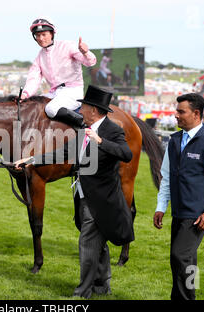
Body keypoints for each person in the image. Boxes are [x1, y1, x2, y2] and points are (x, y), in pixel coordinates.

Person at [16, 85, 134, 298]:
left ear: (95, 110)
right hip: (82, 194)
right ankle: (102, 285)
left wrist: (101, 142)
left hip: (101, 197)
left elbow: (126, 154)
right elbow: (64, 152)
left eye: (84, 107)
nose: (79, 111)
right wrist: (31, 160)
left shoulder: (112, 130)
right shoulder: (83, 129)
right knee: (98, 241)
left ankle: (82, 292)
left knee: (87, 242)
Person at [153, 93, 204, 300]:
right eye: (177, 110)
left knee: (180, 256)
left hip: (197, 215)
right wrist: (161, 206)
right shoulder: (174, 140)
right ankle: (187, 296)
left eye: (181, 111)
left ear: (196, 113)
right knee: (185, 261)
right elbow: (167, 177)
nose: (176, 115)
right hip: (178, 212)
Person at [20, 17, 97, 129]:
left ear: (52, 34)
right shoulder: (39, 57)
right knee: (33, 106)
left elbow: (90, 62)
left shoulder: (67, 46)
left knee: (51, 109)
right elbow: (33, 79)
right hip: (55, 93)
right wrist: (25, 95)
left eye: (44, 34)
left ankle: (84, 126)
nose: (41, 38)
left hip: (73, 92)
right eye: (37, 35)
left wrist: (85, 52)